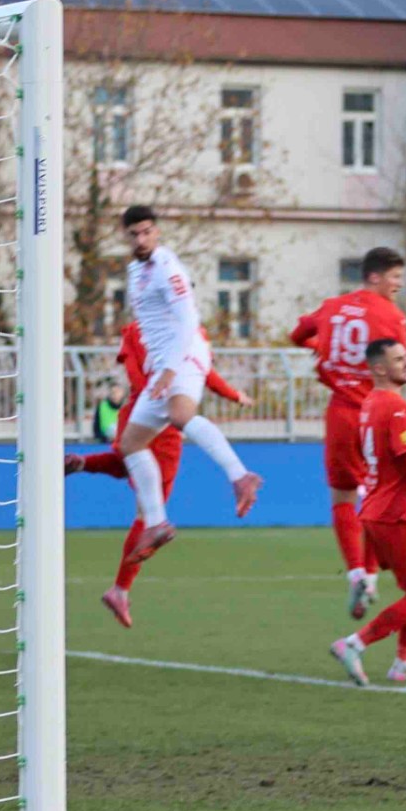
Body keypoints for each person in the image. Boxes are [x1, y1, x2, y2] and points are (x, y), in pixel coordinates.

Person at [67, 320, 252, 627]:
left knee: (131, 460)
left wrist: (233, 395)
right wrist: (160, 397)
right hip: (161, 416)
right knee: (150, 510)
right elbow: (199, 374)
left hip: (140, 411)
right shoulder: (180, 329)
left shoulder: (141, 328)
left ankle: (83, 464)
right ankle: (120, 589)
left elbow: (141, 369)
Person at [117, 205, 263, 562]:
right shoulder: (135, 269)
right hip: (162, 362)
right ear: (126, 235)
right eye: (134, 233)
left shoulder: (168, 268)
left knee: (180, 414)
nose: (141, 239)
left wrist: (168, 369)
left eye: (147, 231)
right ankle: (156, 522)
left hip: (181, 354)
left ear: (157, 232)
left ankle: (240, 475)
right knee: (131, 443)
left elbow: (188, 320)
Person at [291, 248, 406, 619]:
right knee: (377, 497)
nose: (397, 287)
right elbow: (398, 372)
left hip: (341, 412)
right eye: (394, 279)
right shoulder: (391, 315)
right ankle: (371, 577)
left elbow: (297, 335)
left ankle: (356, 572)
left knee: (343, 497)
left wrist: (320, 346)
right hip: (374, 413)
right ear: (374, 277)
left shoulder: (332, 307)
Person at [329, 339, 406, 686]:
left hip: (374, 512)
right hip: (395, 514)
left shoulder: (372, 403)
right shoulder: (396, 406)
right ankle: (354, 644)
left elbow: (402, 443)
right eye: (399, 359)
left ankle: (403, 662)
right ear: (380, 368)